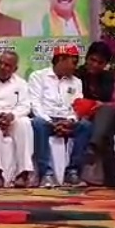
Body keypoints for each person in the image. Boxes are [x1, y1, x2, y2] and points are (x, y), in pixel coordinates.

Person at [28, 44, 91, 187]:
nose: (75, 66)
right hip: (46, 120)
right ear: (61, 59)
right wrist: (51, 122)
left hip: (67, 121)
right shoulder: (38, 76)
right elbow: (35, 104)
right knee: (37, 123)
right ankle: (46, 174)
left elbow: (77, 106)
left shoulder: (76, 82)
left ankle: (73, 172)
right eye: (73, 62)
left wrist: (70, 121)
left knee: (86, 126)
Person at [0, 50, 35, 188]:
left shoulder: (20, 83)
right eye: (0, 63)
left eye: (7, 65)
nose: (2, 67)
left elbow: (25, 105)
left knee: (25, 123)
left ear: (15, 69)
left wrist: (12, 116)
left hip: (11, 118)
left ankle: (23, 172)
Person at [76, 40, 115, 187]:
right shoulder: (77, 75)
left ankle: (93, 146)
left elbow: (110, 101)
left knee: (107, 111)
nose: (95, 65)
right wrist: (95, 104)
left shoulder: (108, 77)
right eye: (92, 60)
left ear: (105, 64)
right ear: (86, 58)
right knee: (105, 132)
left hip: (104, 116)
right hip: (85, 114)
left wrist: (100, 105)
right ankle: (112, 177)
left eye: (100, 62)